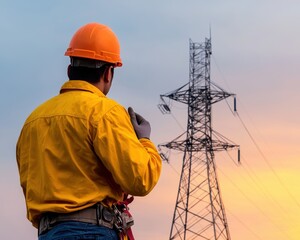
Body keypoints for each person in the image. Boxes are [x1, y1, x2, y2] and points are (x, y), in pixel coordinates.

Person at [16, 22, 162, 240]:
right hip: (93, 232)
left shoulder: (33, 121)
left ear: (69, 70)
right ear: (108, 73)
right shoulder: (105, 112)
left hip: (48, 233)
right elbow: (140, 180)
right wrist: (144, 140)